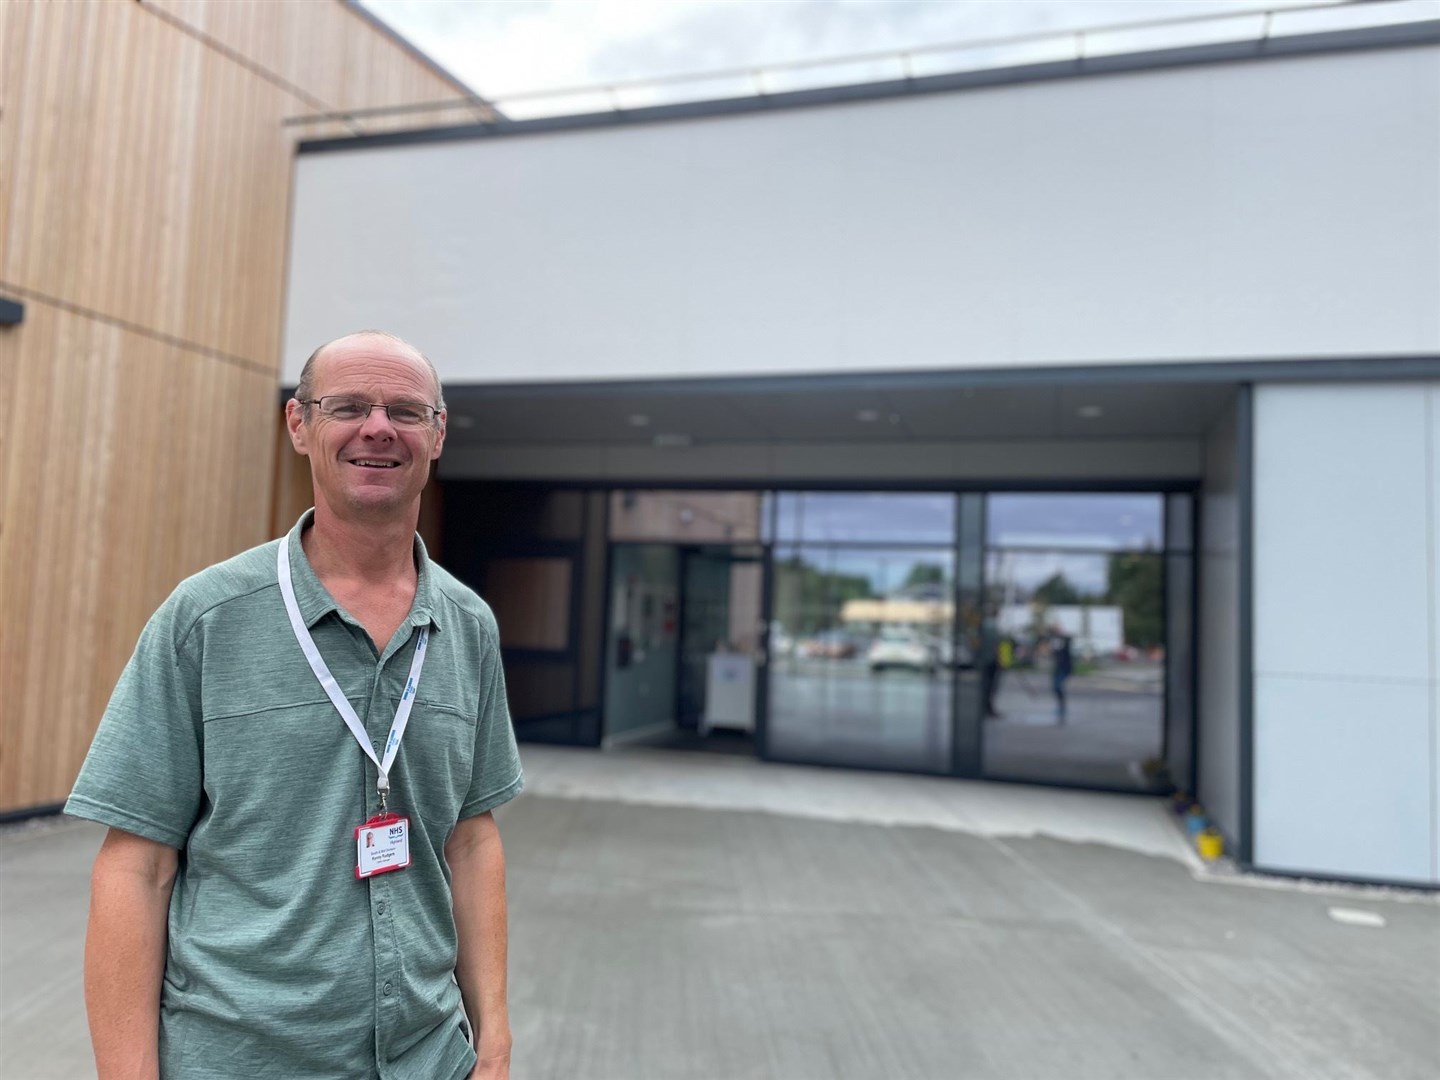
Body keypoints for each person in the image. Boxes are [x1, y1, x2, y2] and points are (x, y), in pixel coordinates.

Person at [66, 331, 523, 1079]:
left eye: (406, 411)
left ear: (437, 435)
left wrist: (495, 1037)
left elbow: (472, 841)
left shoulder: (467, 626)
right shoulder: (206, 619)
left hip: (429, 1057)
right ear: (298, 425)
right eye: (348, 406)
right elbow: (135, 867)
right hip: (242, 1058)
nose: (379, 428)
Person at [1047, 624, 1075, 723]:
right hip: (1057, 668)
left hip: (1064, 667)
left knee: (1058, 686)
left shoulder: (1064, 640)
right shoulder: (1054, 641)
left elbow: (1069, 639)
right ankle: (1060, 706)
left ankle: (1062, 707)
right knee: (1055, 687)